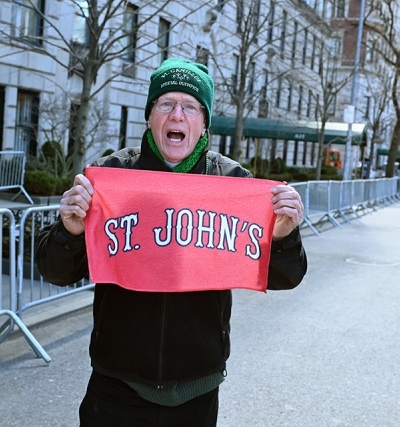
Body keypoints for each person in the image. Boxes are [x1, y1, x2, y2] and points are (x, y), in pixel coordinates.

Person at [35, 58, 307, 427]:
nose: (177, 115)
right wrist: (70, 230)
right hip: (116, 387)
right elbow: (55, 272)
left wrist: (283, 235)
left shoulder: (232, 183)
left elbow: (284, 277)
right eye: (166, 104)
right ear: (150, 117)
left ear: (204, 122)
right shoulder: (112, 175)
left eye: (190, 107)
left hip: (197, 390)